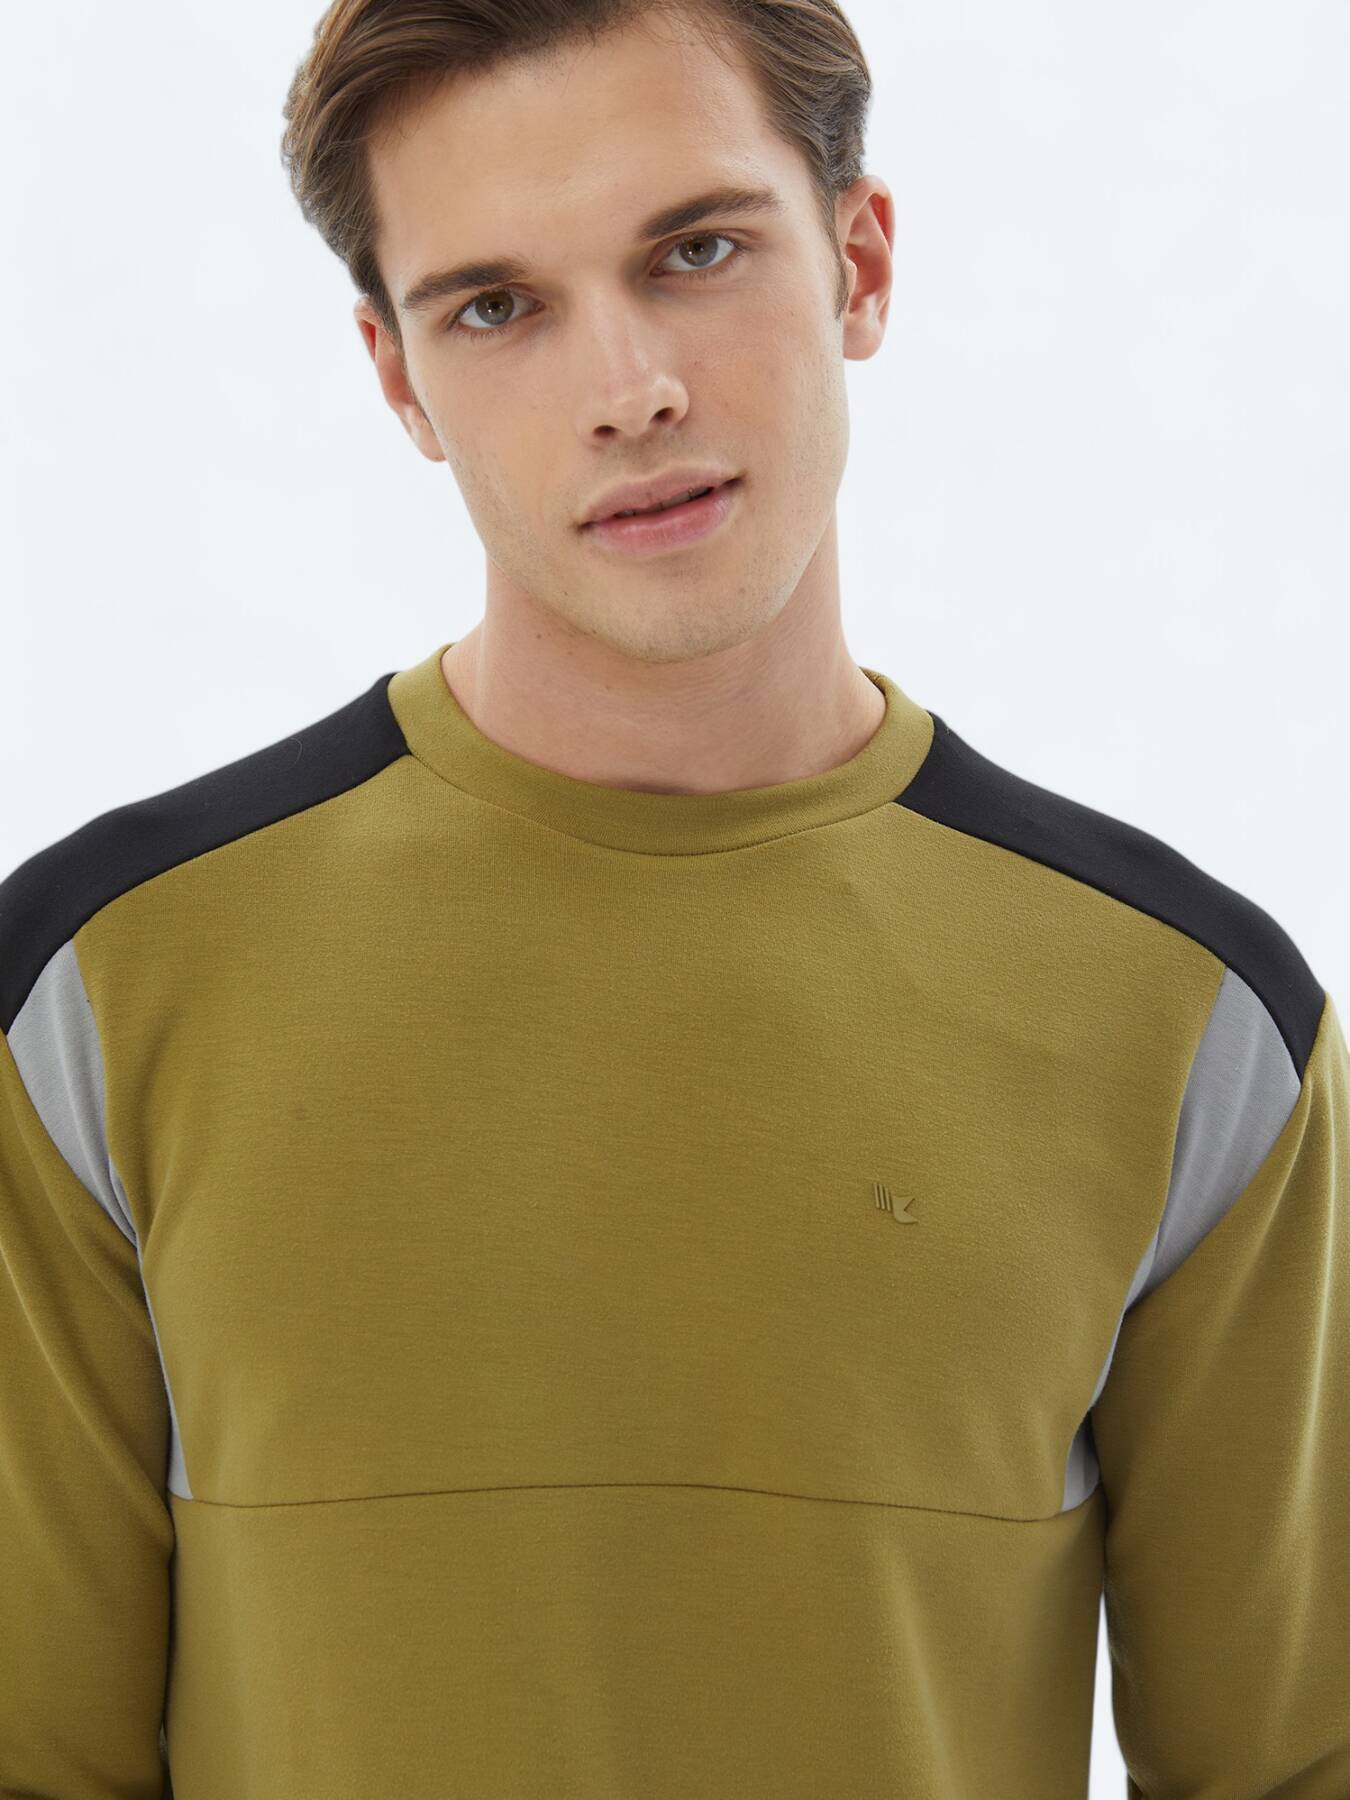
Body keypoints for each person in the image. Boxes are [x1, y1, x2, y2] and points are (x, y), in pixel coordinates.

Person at [2, 3, 1345, 1796]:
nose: (627, 390)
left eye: (694, 251)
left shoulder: (1187, 1016)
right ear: (397, 379)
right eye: (497, 306)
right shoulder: (103, 984)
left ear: (859, 261)